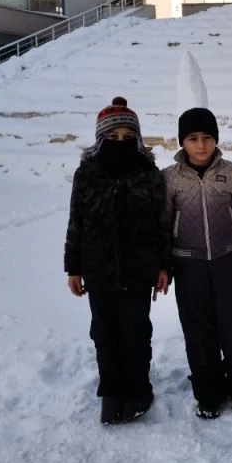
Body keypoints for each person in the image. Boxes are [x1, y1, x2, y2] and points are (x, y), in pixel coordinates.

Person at [64, 97, 170, 425]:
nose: (120, 142)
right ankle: (111, 394)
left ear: (137, 138)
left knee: (136, 331)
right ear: (101, 139)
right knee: (105, 333)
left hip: (140, 270)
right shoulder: (87, 173)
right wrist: (74, 267)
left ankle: (138, 390)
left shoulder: (149, 173)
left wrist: (164, 265)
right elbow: (76, 221)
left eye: (127, 136)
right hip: (98, 270)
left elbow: (162, 223)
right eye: (113, 137)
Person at [163, 107, 232, 419]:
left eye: (206, 137)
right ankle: (208, 394)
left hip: (228, 261)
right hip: (188, 265)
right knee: (198, 332)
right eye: (192, 138)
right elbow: (162, 225)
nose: (201, 145)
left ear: (215, 139)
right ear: (183, 142)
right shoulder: (170, 178)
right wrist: (163, 266)